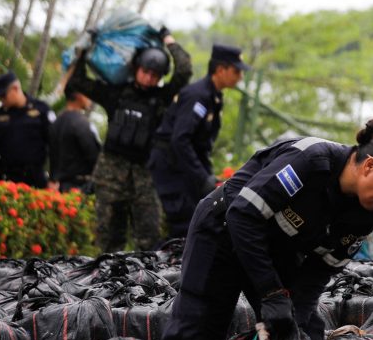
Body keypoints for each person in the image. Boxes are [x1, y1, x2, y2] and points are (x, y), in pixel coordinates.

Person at [160, 119, 373, 340]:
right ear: (370, 165)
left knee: (304, 335)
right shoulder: (311, 161)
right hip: (223, 230)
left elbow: (319, 271)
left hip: (275, 247)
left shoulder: (368, 214)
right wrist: (271, 292)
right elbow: (242, 216)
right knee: (198, 331)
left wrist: (295, 318)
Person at [68, 30, 192, 252]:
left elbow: (184, 70)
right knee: (108, 242)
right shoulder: (116, 94)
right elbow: (78, 80)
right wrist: (84, 47)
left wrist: (168, 39)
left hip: (144, 178)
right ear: (136, 68)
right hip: (110, 175)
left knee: (149, 242)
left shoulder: (161, 99)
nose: (149, 78)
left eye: (155, 75)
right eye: (145, 72)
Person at [149, 44, 248, 238]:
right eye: (236, 71)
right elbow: (180, 140)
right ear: (221, 70)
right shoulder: (198, 95)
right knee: (184, 226)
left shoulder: (213, 96)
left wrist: (208, 178)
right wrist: (202, 178)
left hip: (184, 167)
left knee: (201, 220)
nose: (240, 77)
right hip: (171, 167)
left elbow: (201, 146)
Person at [0, 72, 54, 188]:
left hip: (34, 177)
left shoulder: (41, 109)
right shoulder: (0, 114)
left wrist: (54, 177)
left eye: (3, 95)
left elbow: (54, 144)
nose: (1, 99)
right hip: (7, 178)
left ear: (15, 89)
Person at [49, 87, 100, 192]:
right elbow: (94, 156)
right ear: (79, 95)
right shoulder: (81, 124)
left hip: (57, 187)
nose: (90, 99)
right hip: (78, 188)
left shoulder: (55, 123)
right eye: (88, 95)